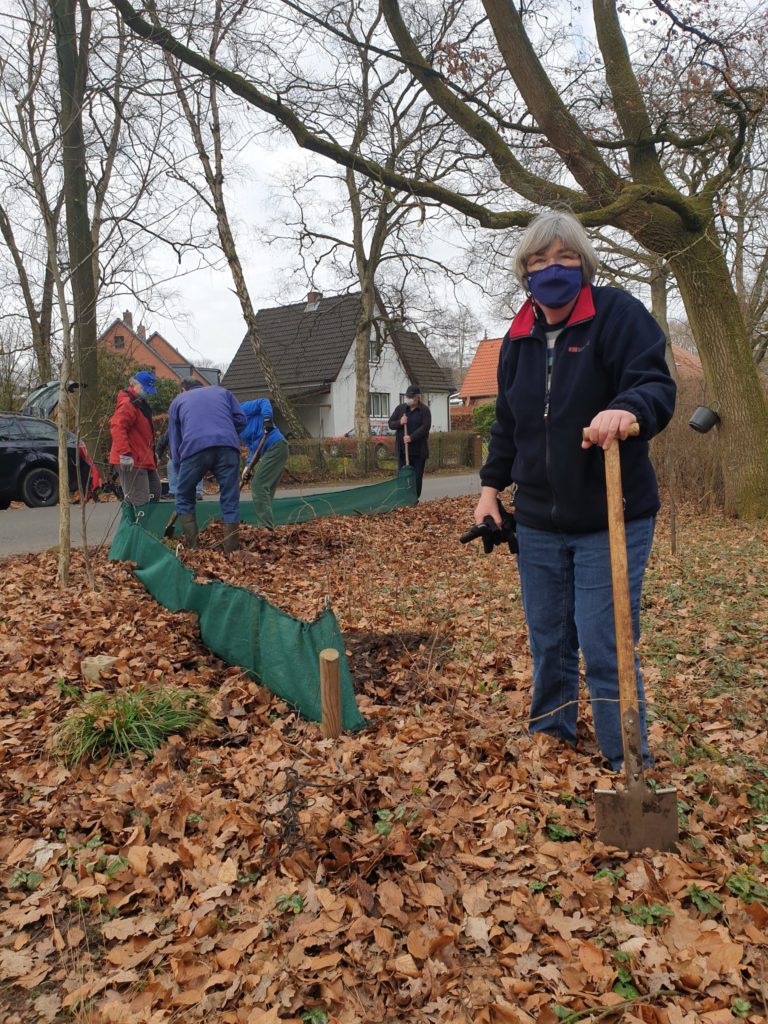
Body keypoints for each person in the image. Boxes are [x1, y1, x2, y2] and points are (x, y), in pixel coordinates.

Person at [473, 209, 676, 771]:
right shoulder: (517, 337)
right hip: (537, 520)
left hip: (612, 514)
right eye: (539, 260)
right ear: (525, 273)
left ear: (583, 264)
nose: (552, 268)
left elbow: (654, 383)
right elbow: (509, 425)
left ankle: (625, 757)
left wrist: (625, 409)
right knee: (549, 638)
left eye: (564, 257)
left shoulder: (617, 316)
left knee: (605, 640)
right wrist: (492, 488)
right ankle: (552, 737)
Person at [168, 378, 246, 552]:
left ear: (183, 389)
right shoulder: (222, 392)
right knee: (230, 497)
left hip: (195, 448)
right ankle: (231, 550)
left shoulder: (178, 401)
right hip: (228, 447)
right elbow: (241, 420)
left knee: (183, 496)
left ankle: (193, 547)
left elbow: (175, 440)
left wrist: (180, 470)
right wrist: (225, 432)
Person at [109, 370, 161, 506]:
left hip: (143, 458)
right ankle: (135, 526)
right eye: (145, 389)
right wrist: (125, 454)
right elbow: (117, 427)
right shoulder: (128, 404)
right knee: (140, 501)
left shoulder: (140, 403)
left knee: (155, 493)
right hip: (132, 460)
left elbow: (142, 433)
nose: (148, 393)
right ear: (135, 385)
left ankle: (144, 526)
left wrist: (151, 453)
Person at [239, 398, 289, 528]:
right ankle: (267, 528)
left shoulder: (241, 409)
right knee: (265, 491)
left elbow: (264, 401)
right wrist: (248, 467)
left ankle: (265, 529)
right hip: (270, 449)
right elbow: (254, 448)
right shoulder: (234, 429)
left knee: (258, 485)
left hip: (277, 445)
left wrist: (267, 419)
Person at [388, 385, 431, 499]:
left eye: (411, 397)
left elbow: (425, 427)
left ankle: (414, 499)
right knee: (402, 477)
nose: (408, 399)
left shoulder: (424, 411)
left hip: (418, 452)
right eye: (407, 396)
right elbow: (391, 423)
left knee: (416, 477)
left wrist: (411, 437)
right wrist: (400, 422)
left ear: (417, 397)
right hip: (403, 452)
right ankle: (402, 499)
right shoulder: (401, 409)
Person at [155, 427, 203, 501]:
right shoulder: (172, 429)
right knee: (171, 466)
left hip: (192, 454)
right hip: (176, 455)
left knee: (197, 466)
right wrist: (158, 456)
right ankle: (173, 492)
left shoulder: (194, 427)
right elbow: (162, 442)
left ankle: (197, 492)